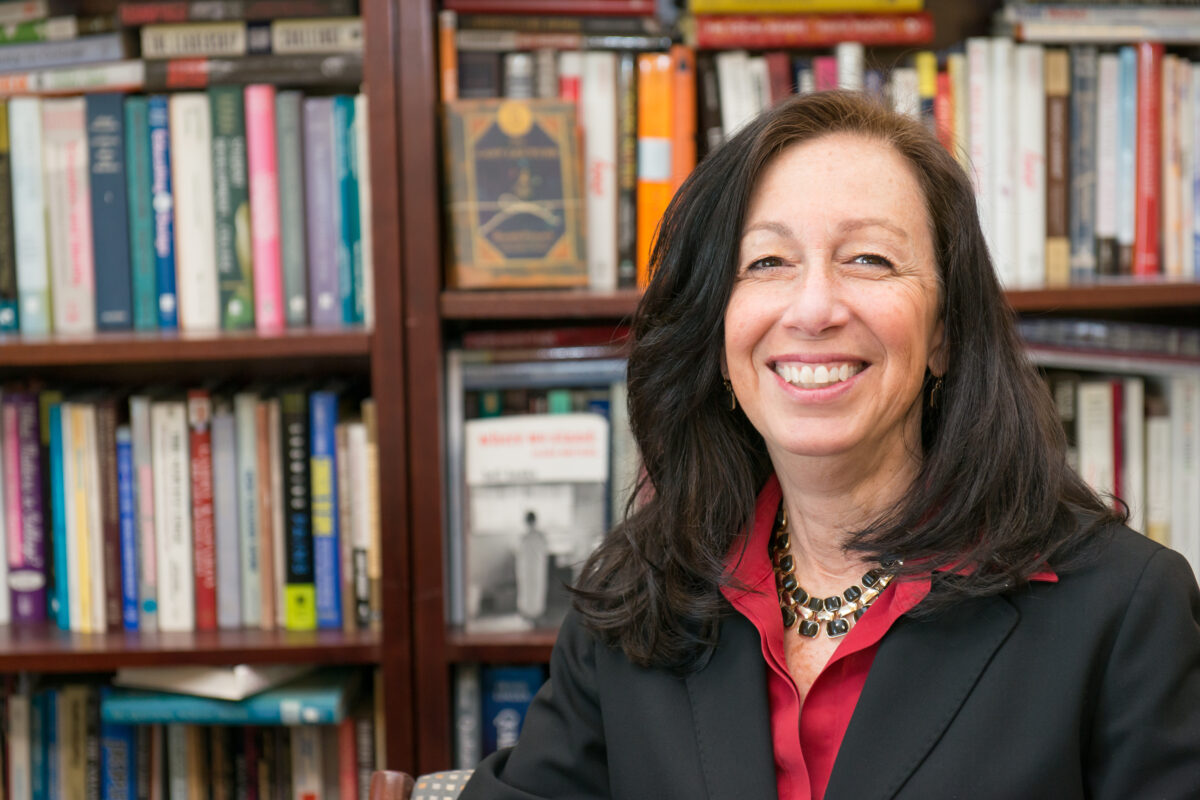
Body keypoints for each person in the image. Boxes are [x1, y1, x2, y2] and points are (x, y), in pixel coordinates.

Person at [459, 90, 1200, 799]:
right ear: (717, 332)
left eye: (869, 260)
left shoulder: (1124, 609)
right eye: (767, 263)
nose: (813, 309)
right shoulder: (634, 597)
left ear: (944, 332)